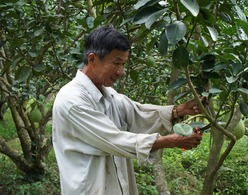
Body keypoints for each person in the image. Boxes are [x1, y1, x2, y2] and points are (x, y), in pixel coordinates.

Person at [52, 25, 203, 195]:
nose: (121, 71)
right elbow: (114, 140)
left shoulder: (108, 94)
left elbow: (138, 113)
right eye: (116, 63)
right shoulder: (72, 101)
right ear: (92, 59)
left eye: (123, 63)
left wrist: (179, 111)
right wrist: (171, 141)